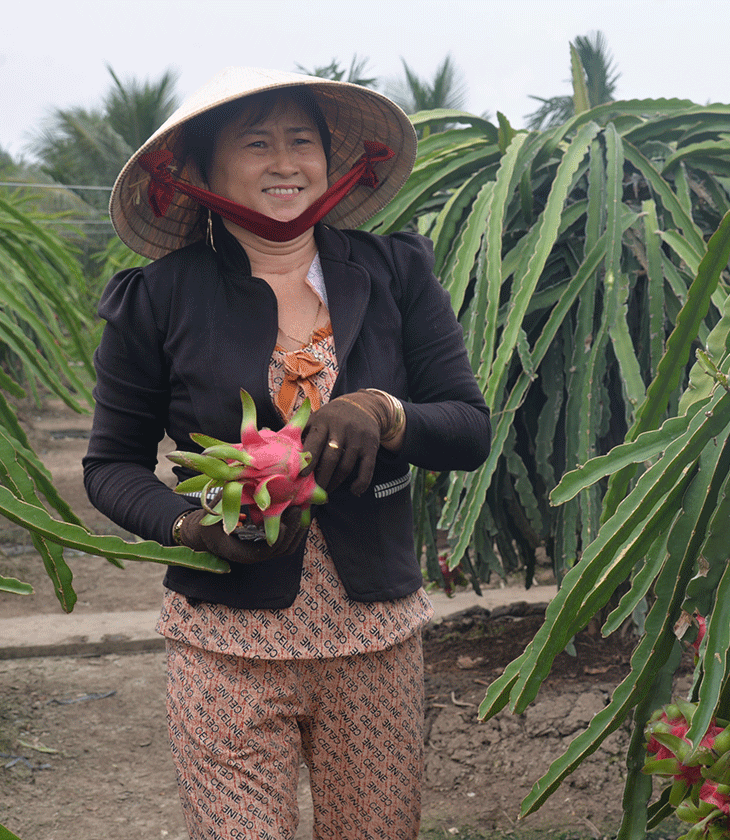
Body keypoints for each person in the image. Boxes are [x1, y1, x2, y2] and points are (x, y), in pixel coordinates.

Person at [83, 66, 490, 839]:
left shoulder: (395, 272)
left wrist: (386, 411)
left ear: (329, 163)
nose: (285, 162)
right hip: (224, 641)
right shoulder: (158, 297)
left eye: (301, 141)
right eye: (256, 143)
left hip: (375, 637)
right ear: (199, 171)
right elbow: (110, 467)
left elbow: (469, 427)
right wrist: (187, 528)